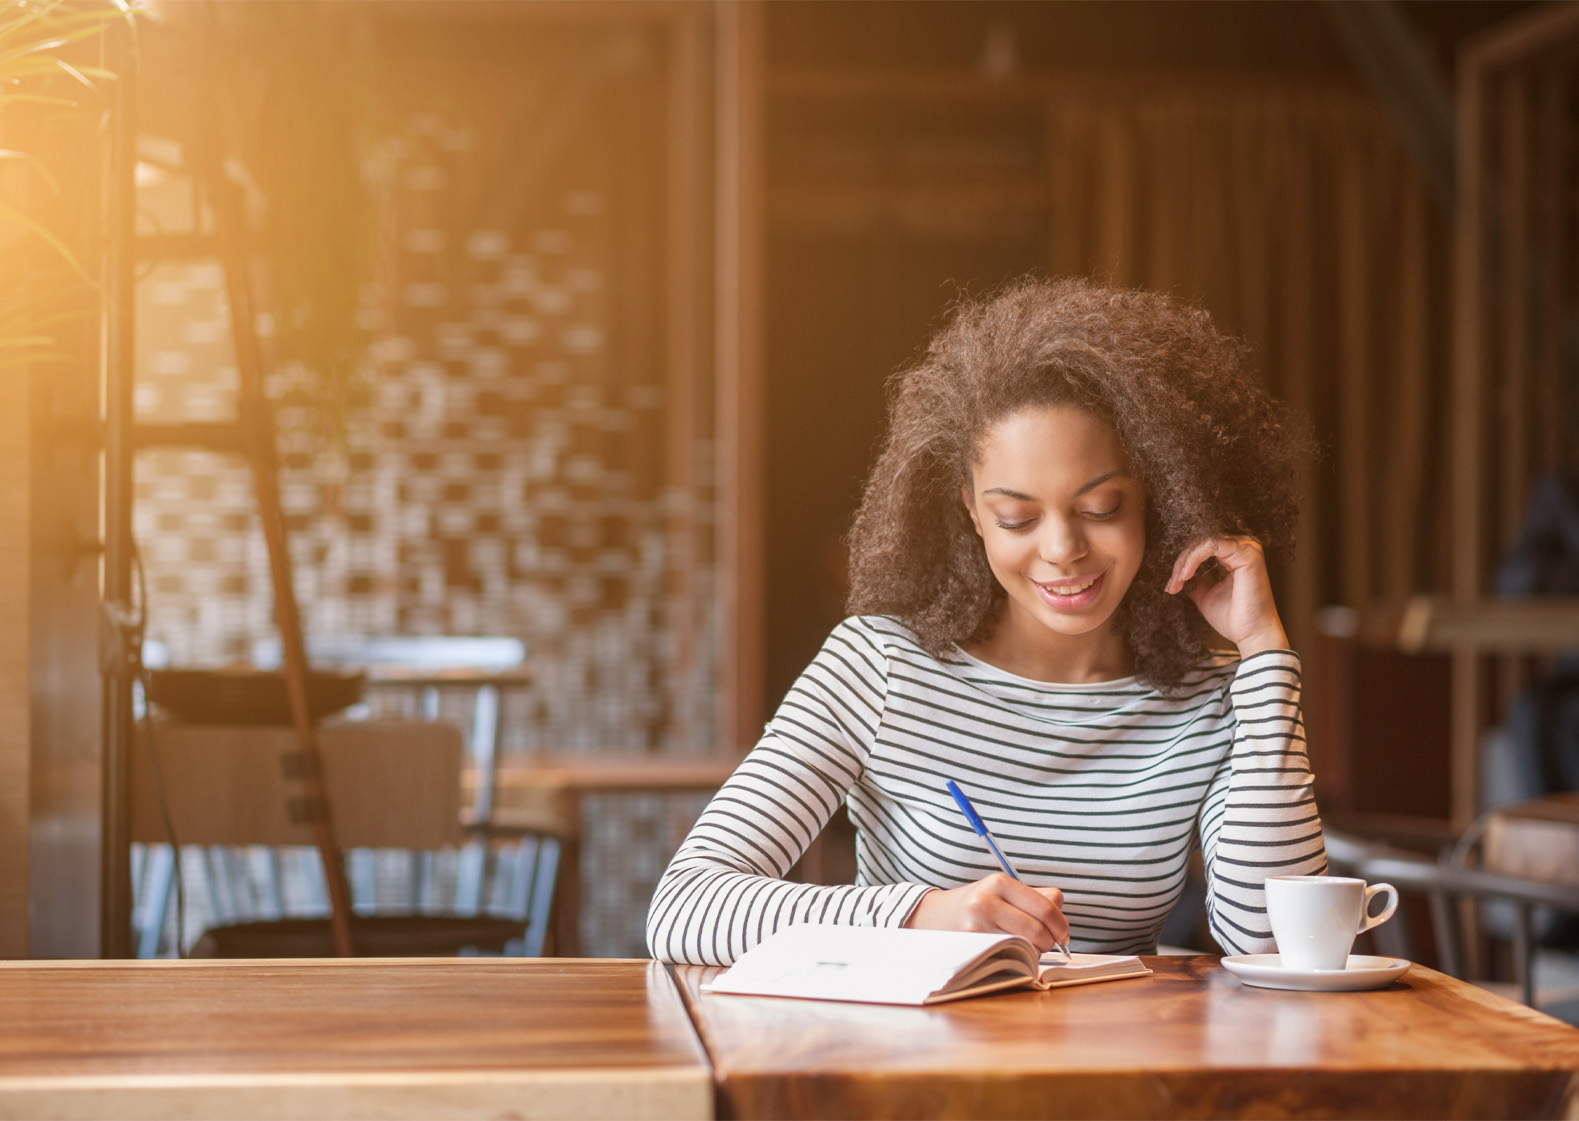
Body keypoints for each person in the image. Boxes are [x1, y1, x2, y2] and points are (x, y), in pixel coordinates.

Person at [647, 277, 1327, 967]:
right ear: (971, 510)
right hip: (910, 1064)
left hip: (1118, 1066)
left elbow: (1276, 943)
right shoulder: (879, 666)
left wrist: (1264, 652)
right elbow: (685, 907)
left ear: (1159, 491)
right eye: (1016, 517)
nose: (1061, 548)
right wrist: (922, 914)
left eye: (1101, 507)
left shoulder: (1209, 701)